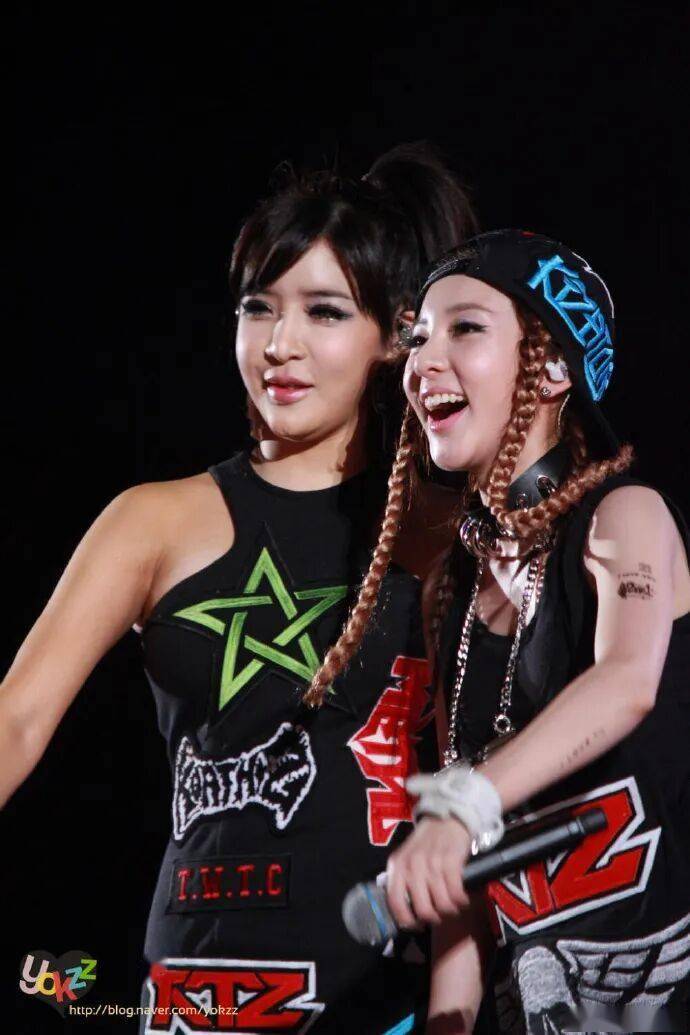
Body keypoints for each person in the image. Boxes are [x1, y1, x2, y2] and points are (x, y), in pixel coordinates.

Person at [0, 144, 478, 1034]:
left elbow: (480, 774)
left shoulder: (448, 534)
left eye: (324, 311)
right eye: (259, 307)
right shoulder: (153, 519)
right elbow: (16, 719)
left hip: (381, 997)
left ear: (394, 337)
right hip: (197, 990)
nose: (279, 344)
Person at [380, 230, 690, 1034]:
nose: (424, 361)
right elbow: (463, 886)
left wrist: (465, 804)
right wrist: (447, 1019)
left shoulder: (625, 518)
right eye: (419, 337)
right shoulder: (449, 594)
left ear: (552, 368)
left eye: (465, 328)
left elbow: (627, 682)